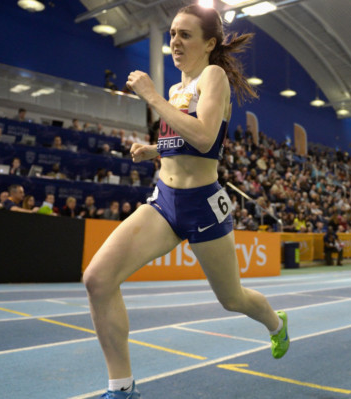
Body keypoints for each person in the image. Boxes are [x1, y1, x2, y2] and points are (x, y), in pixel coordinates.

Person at [82, 6, 289, 397]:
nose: (175, 41)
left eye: (186, 35)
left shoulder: (214, 77)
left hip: (203, 206)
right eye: (173, 33)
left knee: (232, 299)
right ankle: (121, 388)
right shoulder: (179, 88)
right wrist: (155, 151)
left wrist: (150, 95)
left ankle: (276, 324)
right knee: (97, 279)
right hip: (164, 201)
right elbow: (183, 141)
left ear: (209, 44)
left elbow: (207, 138)